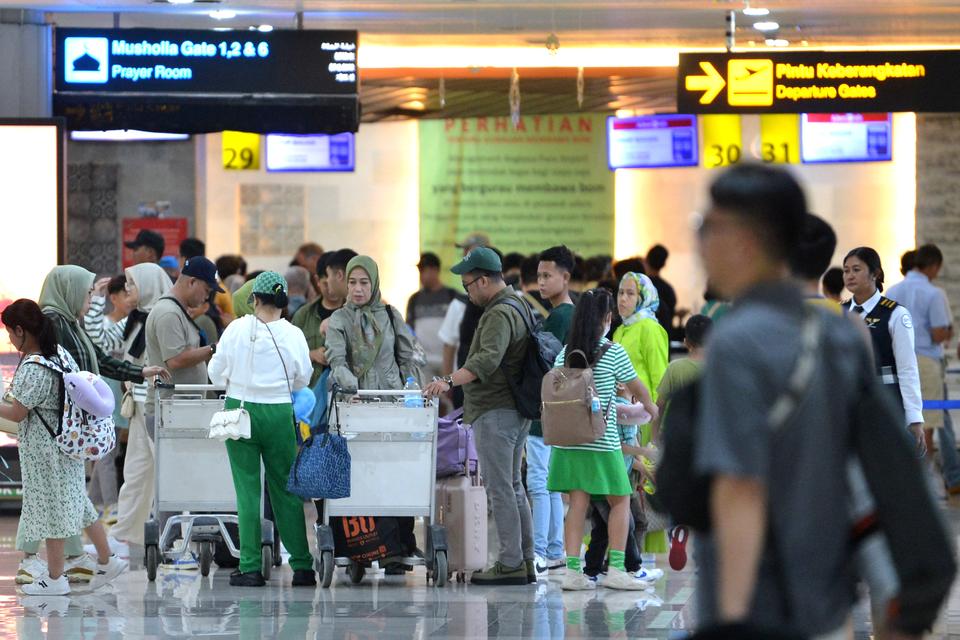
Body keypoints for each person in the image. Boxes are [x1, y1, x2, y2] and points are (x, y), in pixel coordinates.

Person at [692, 163, 897, 637]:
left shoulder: (737, 341)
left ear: (746, 240)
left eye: (707, 227)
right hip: (828, 589)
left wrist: (731, 619)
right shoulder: (840, 333)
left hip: (762, 601)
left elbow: (739, 489)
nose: (701, 243)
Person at [32, 266, 167, 580]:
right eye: (88, 293)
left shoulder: (68, 323)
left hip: (79, 418)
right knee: (66, 490)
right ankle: (75, 558)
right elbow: (84, 359)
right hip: (63, 419)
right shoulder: (56, 323)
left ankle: (92, 555)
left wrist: (139, 373)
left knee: (69, 491)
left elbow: (98, 357)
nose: (93, 299)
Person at [423, 247, 535, 586]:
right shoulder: (519, 304)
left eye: (469, 284)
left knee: (501, 488)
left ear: (484, 280)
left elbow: (485, 361)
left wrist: (446, 381)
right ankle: (525, 559)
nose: (468, 291)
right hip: (513, 411)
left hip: (496, 412)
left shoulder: (499, 313)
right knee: (514, 486)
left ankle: (510, 562)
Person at [2, 300, 128, 595]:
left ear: (21, 331)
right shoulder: (60, 354)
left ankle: (55, 580)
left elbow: (17, 413)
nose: (9, 338)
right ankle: (108, 560)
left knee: (53, 511)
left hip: (45, 451)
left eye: (10, 332)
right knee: (81, 506)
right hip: (68, 444)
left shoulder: (34, 367)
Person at [543, 288, 658, 592]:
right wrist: (650, 407)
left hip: (569, 443)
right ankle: (617, 570)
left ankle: (571, 572)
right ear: (607, 319)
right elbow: (638, 387)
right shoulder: (613, 351)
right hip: (602, 442)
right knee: (620, 500)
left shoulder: (565, 353)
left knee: (577, 505)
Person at [208, 272, 315, 587]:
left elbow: (216, 373)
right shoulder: (294, 333)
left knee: (248, 491)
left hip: (241, 412)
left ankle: (251, 566)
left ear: (254, 299)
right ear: (283, 301)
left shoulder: (237, 328)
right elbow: (303, 379)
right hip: (280, 412)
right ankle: (303, 567)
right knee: (285, 490)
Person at [325, 255, 423, 572]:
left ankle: (400, 545)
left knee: (396, 472)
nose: (357, 289)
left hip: (393, 405)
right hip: (356, 409)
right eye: (352, 282)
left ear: (374, 283)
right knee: (362, 476)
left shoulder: (391, 316)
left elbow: (408, 358)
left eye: (364, 282)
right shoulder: (339, 320)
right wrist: (353, 391)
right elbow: (336, 361)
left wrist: (413, 395)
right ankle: (363, 547)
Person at [143, 257, 223, 566]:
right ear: (191, 282)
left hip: (182, 411)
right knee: (172, 480)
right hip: (170, 411)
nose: (207, 297)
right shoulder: (166, 313)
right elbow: (174, 360)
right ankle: (165, 541)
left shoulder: (177, 312)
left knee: (175, 476)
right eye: (206, 289)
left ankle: (168, 539)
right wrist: (214, 349)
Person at [104, 263, 173, 558]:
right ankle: (126, 532)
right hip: (138, 405)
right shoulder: (133, 319)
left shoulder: (164, 317)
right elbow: (102, 338)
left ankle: (169, 536)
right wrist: (96, 300)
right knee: (136, 470)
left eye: (132, 284)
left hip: (158, 405)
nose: (127, 289)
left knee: (164, 472)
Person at [887, 243, 960, 493]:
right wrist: (948, 331)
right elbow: (939, 333)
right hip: (925, 362)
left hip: (897, 361)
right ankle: (921, 486)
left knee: (902, 422)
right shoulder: (933, 293)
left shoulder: (893, 290)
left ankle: (904, 480)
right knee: (925, 426)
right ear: (933, 266)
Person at [526, 245, 576, 580]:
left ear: (565, 277)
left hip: (545, 409)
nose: (541, 282)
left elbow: (544, 363)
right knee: (552, 483)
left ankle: (540, 551)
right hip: (559, 411)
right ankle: (555, 550)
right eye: (539, 276)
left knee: (538, 482)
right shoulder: (570, 314)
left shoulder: (560, 317)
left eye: (547, 275)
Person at [843, 247, 924, 450]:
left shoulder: (895, 314)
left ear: (875, 273)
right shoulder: (838, 312)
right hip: (848, 403)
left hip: (886, 401)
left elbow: (907, 368)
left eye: (856, 269)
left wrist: (914, 418)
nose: (849, 276)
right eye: (846, 270)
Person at [82, 274, 135, 523]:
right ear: (113, 297)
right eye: (126, 292)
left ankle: (89, 504)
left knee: (108, 454)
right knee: (104, 453)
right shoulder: (102, 325)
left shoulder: (132, 325)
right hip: (102, 398)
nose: (130, 297)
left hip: (122, 398)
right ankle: (112, 506)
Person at [293, 250, 354, 387]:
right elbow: (288, 354)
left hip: (347, 389)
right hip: (311, 390)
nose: (330, 289)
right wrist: (311, 354)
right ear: (317, 281)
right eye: (325, 283)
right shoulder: (303, 315)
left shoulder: (354, 314)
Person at [405, 252, 458, 382]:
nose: (421, 275)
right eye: (420, 271)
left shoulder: (452, 296)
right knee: (426, 399)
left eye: (424, 270)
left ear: (436, 270)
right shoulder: (414, 299)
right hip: (423, 364)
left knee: (449, 400)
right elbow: (409, 331)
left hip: (449, 361)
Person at [644, 245, 677, 338]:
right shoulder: (668, 289)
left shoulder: (640, 287)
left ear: (646, 260)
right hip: (663, 340)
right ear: (664, 264)